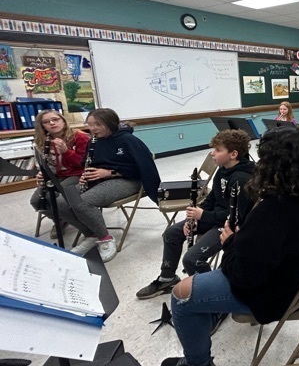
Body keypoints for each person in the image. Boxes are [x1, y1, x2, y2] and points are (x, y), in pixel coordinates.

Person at [160, 127, 299, 366]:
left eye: (263, 159)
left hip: (276, 292)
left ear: (272, 164)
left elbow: (244, 276)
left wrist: (231, 242)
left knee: (181, 294)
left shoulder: (275, 209)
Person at [136, 129, 255, 299]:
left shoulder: (242, 179)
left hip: (229, 226)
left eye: (218, 150)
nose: (212, 153)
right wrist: (193, 218)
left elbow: (236, 217)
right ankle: (167, 277)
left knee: (192, 259)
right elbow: (213, 197)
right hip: (214, 217)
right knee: (171, 233)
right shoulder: (222, 169)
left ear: (233, 154)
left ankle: (215, 296)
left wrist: (203, 216)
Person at [57, 108, 161, 262]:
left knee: (83, 202)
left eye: (97, 124)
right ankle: (91, 234)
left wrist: (110, 173)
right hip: (101, 179)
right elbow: (87, 163)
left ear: (110, 123)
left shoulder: (128, 140)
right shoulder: (94, 141)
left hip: (129, 180)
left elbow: (144, 168)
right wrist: (87, 175)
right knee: (60, 203)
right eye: (90, 125)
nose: (92, 129)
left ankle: (105, 238)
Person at [30, 109, 90, 239]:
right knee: (36, 201)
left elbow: (83, 163)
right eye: (46, 122)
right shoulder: (43, 141)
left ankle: (88, 229)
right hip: (55, 176)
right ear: (42, 126)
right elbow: (44, 163)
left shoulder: (80, 137)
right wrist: (42, 174)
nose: (52, 123)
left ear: (63, 121)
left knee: (58, 201)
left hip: (77, 175)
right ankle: (60, 220)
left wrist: (66, 151)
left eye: (55, 119)